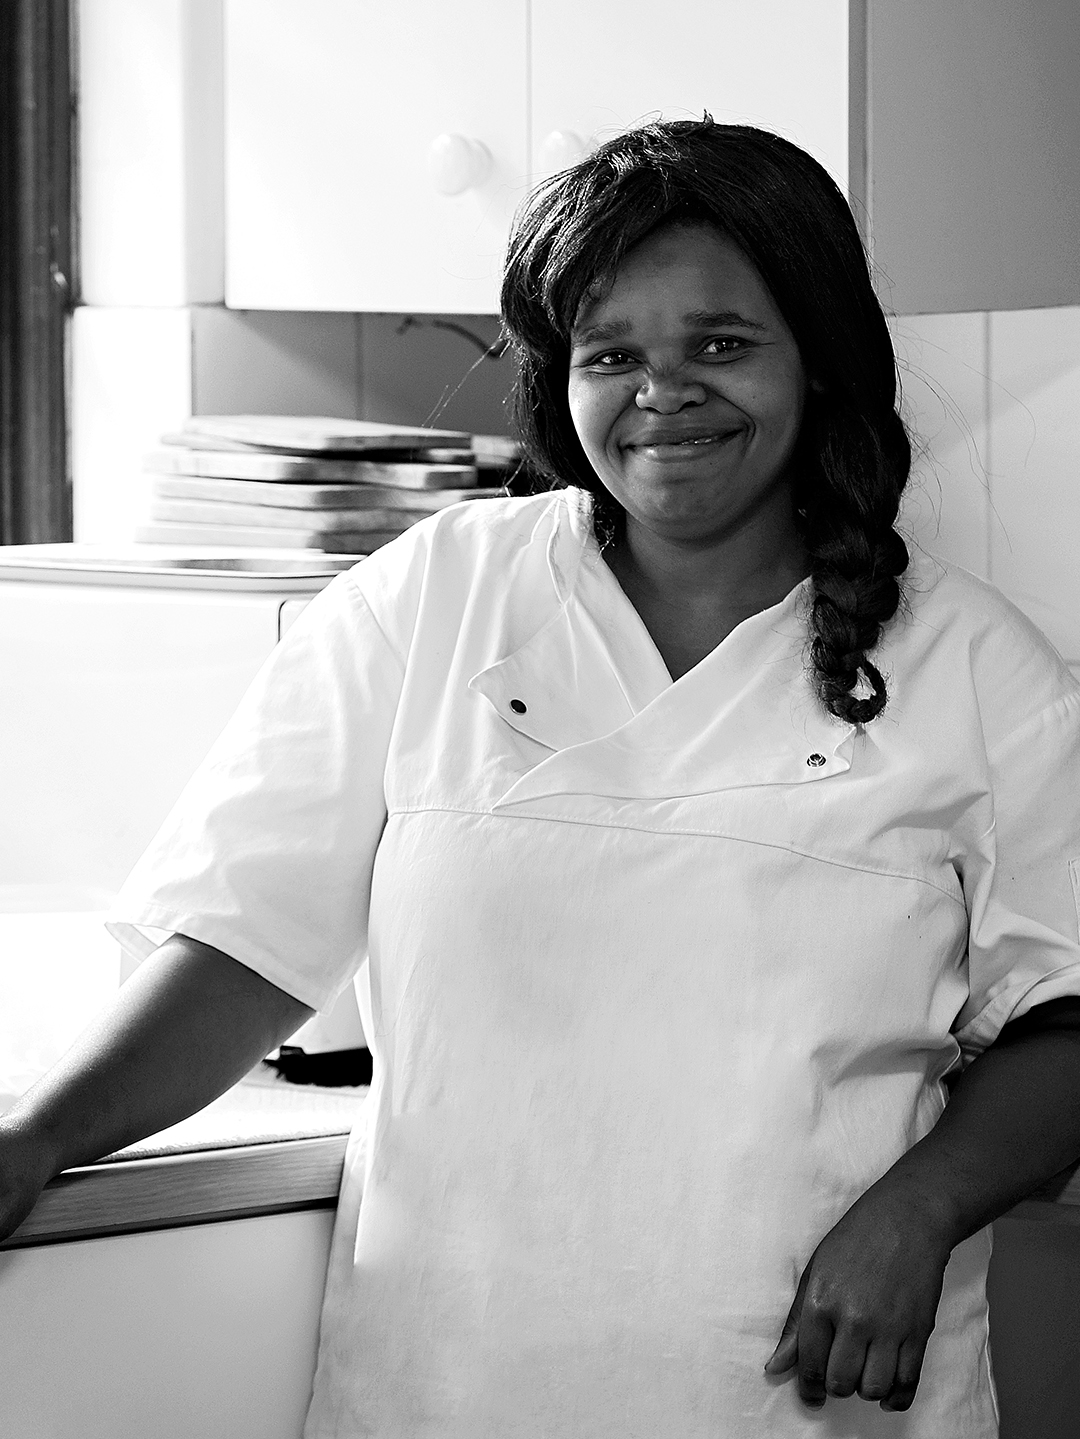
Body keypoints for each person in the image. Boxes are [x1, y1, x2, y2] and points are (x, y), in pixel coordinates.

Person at [4, 118, 1080, 1437]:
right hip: (453, 1380)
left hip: (808, 1397)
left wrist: (918, 1210)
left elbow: (1069, 1018)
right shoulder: (437, 592)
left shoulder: (977, 666)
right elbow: (242, 940)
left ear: (822, 363)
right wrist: (35, 1138)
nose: (661, 393)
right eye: (611, 353)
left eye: (722, 345)